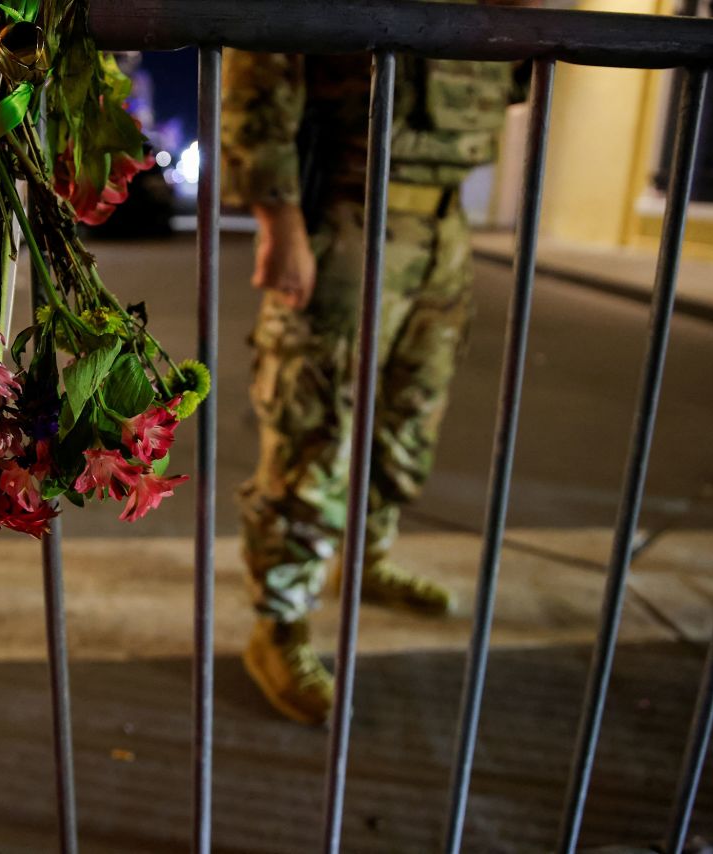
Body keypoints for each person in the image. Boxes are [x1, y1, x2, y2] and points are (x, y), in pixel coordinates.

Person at [221, 44, 516, 725]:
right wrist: (280, 219)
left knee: (410, 414)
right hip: (349, 213)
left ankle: (365, 559)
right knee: (314, 429)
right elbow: (262, 61)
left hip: (445, 222)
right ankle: (280, 629)